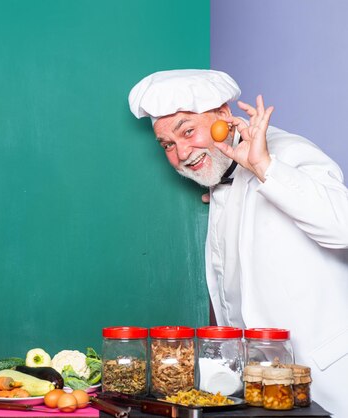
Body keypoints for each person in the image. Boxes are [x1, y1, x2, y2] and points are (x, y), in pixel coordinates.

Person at [128, 69, 348, 415]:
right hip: (265, 391)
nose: (182, 152)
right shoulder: (218, 179)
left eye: (188, 130)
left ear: (224, 117)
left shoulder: (288, 152)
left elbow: (343, 228)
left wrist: (265, 167)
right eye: (168, 144)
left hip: (329, 383)